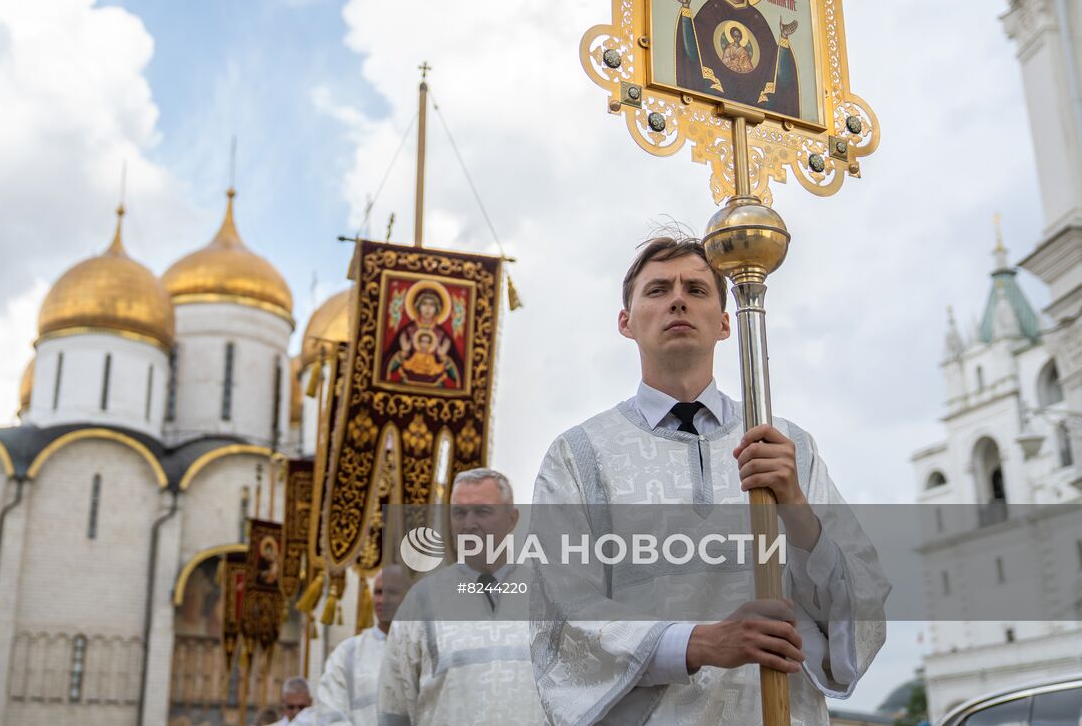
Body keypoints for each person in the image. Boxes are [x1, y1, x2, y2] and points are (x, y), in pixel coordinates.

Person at [529, 235, 889, 726]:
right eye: (657, 290)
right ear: (625, 322)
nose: (678, 298)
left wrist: (799, 513)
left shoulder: (789, 447)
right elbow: (562, 614)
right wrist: (699, 642)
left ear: (725, 322)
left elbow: (861, 605)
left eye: (697, 289)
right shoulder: (578, 455)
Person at [376, 468, 545, 726]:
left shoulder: (546, 597)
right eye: (459, 513)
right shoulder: (421, 602)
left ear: (512, 519)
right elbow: (394, 709)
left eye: (482, 511)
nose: (469, 524)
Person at [668, 0, 800, 117]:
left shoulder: (757, 18)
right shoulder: (712, 8)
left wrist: (783, 40)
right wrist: (685, 10)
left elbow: (773, 66)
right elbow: (694, 51)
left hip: (755, 93)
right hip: (716, 89)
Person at [315, 565, 411, 725]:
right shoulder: (347, 654)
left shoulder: (423, 649)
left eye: (392, 592)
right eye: (379, 592)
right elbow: (330, 713)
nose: (383, 600)